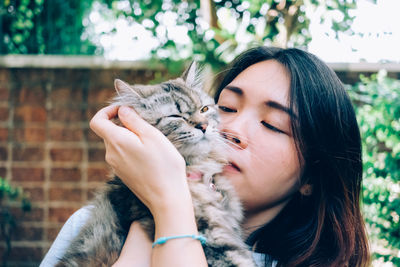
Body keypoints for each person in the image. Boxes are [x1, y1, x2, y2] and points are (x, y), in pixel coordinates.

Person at [41, 46, 370, 267]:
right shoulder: (83, 225)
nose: (230, 128)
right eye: (225, 107)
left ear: (312, 177)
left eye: (272, 124)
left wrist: (169, 205)